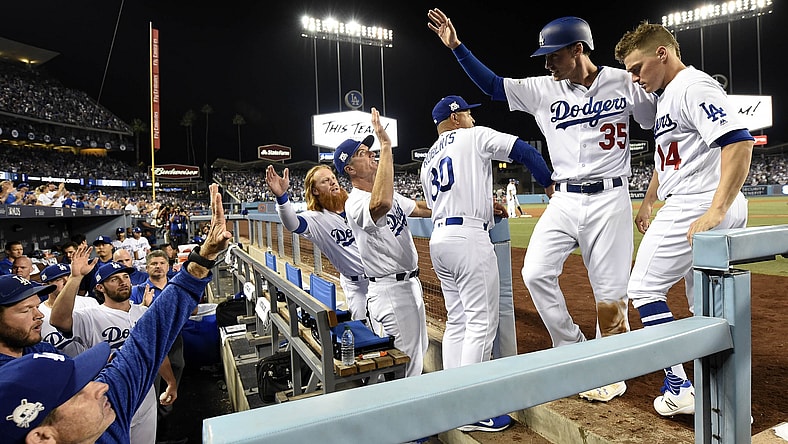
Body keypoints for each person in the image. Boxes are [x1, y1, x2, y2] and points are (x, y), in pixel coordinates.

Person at [427, 9, 657, 402]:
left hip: (611, 197)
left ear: (578, 49)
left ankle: (610, 371)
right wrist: (458, 48)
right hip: (564, 197)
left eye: (554, 54)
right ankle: (570, 345)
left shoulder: (624, 81)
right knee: (534, 272)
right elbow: (494, 86)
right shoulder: (543, 89)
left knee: (611, 293)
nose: (547, 62)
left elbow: (653, 119)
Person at [0, 182, 232, 444]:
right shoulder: (89, 315)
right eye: (77, 390)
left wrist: (203, 258)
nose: (101, 387)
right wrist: (75, 278)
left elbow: (147, 342)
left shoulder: (88, 399)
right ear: (43, 438)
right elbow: (62, 320)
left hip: (144, 401)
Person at [614, 22, 753, 416]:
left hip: (698, 202)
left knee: (642, 288)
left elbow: (739, 141)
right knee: (706, 308)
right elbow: (670, 156)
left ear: (663, 53)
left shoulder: (693, 87)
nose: (634, 77)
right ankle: (726, 400)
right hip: (693, 199)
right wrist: (648, 200)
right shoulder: (668, 95)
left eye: (637, 67)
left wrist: (717, 208)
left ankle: (677, 386)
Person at [422, 95, 554, 432]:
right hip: (468, 239)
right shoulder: (473, 135)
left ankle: (453, 399)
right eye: (466, 112)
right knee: (482, 322)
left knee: (459, 321)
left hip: (440, 239)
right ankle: (472, 409)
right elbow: (525, 151)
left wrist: (484, 204)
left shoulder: (427, 159)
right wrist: (551, 185)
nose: (470, 117)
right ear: (454, 117)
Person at [335, 107, 431, 379]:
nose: (371, 153)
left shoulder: (387, 192)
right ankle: (407, 420)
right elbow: (381, 205)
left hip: (408, 285)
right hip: (390, 290)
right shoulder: (356, 202)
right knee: (406, 365)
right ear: (350, 168)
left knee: (414, 354)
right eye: (363, 153)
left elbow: (423, 209)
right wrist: (387, 145)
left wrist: (469, 207)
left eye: (371, 149)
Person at [50, 260, 177, 444]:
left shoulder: (143, 312)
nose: (123, 281)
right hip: (109, 397)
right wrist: (75, 278)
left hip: (145, 392)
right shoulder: (91, 316)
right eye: (114, 279)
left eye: (125, 277)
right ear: (100, 287)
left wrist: (170, 381)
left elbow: (156, 351)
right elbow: (58, 320)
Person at [265, 164, 369, 320]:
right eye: (325, 181)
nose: (333, 182)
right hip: (357, 285)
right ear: (315, 191)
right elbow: (292, 224)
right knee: (365, 329)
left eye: (333, 178)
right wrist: (282, 196)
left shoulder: (355, 205)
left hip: (383, 278)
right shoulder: (315, 218)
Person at [38, 259, 99, 357]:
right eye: (59, 279)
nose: (66, 281)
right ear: (46, 286)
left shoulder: (90, 302)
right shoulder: (39, 314)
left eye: (69, 276)